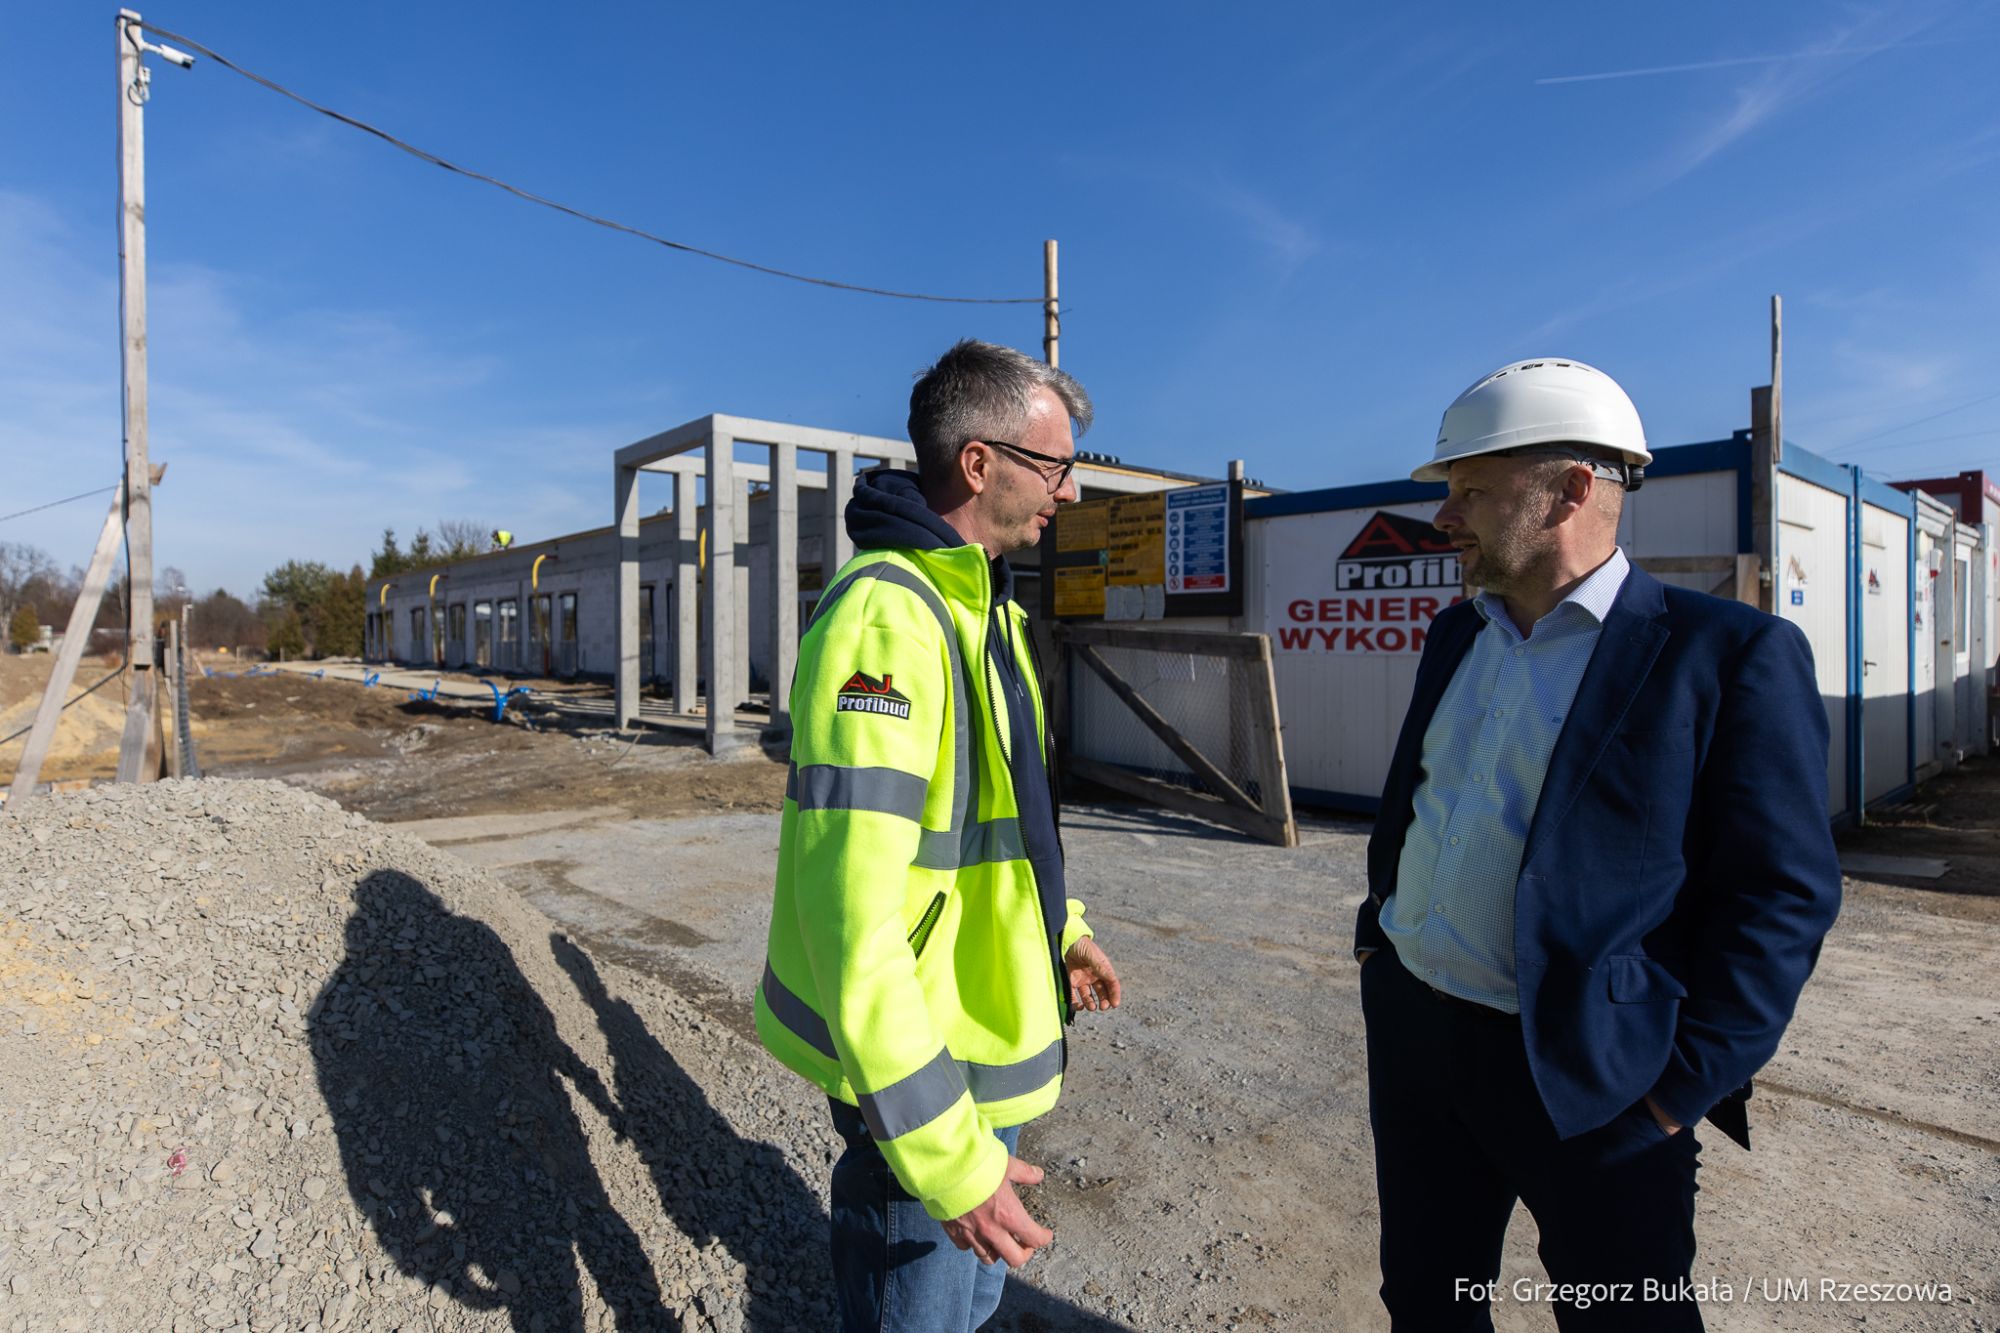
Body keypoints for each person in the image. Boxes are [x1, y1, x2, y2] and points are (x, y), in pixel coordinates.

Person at [1355, 358, 1842, 1332]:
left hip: (1595, 1078)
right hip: (1416, 1034)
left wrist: (1672, 1093)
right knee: (1424, 1297)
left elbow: (1779, 895)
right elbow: (1416, 805)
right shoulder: (1458, 635)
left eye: (1472, 490)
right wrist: (1379, 944)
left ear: (1573, 487)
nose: (1444, 516)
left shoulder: (1724, 655)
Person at [755, 338, 1123, 1332]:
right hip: (921, 1083)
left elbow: (1001, 828)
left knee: (965, 1315)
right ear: (977, 462)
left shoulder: (984, 613)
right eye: (1054, 466)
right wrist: (944, 1157)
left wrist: (1061, 928)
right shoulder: (888, 618)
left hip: (976, 1059)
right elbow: (852, 914)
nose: (1073, 492)